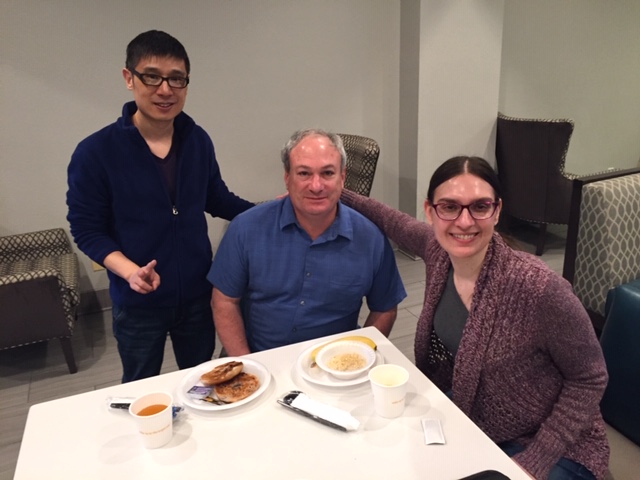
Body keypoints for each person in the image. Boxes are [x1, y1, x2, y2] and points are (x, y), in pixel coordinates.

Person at [340, 156, 609, 480]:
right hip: (477, 417)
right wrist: (334, 191)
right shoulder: (438, 252)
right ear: (430, 211)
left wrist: (537, 458)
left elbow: (590, 377)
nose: (464, 221)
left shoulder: (539, 289)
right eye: (449, 207)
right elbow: (392, 219)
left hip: (557, 444)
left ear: (497, 211)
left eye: (480, 206)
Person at [66, 30, 254, 383]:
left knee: (202, 382)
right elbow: (87, 229)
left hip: (198, 293)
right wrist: (129, 271)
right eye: (152, 77)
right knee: (140, 386)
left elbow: (217, 199)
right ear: (129, 78)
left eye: (176, 79)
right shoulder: (95, 152)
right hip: (137, 302)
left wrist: (269, 211)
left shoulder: (197, 140)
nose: (165, 90)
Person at [207, 129, 406, 355]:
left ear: (342, 178)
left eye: (327, 173)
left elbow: (385, 308)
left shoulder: (371, 239)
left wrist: (358, 355)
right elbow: (224, 301)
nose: (316, 186)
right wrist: (248, 364)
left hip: (334, 363)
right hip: (261, 356)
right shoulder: (245, 229)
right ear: (287, 177)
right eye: (304, 173)